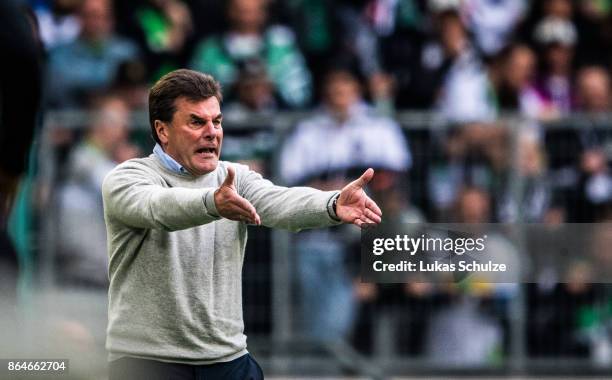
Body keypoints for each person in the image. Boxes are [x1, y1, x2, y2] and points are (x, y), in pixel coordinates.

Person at [102, 69, 382, 379]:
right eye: (197, 122)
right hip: (146, 362)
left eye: (217, 121)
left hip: (228, 359)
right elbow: (157, 208)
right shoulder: (128, 178)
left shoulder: (234, 177)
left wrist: (330, 203)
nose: (212, 132)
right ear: (162, 130)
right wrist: (212, 203)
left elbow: (279, 201)